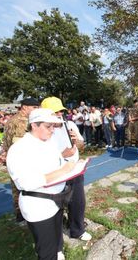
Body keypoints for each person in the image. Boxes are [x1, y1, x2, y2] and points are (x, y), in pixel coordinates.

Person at [6, 108, 76, 260]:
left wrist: (72, 167)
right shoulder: (19, 149)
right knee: (46, 250)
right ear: (34, 125)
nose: (52, 130)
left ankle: (59, 253)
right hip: (38, 205)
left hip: (57, 199)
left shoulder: (48, 143)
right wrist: (63, 171)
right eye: (48, 126)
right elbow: (25, 182)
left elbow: (58, 163)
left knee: (57, 237)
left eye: (53, 126)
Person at [41, 97, 92, 244]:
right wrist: (62, 154)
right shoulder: (41, 131)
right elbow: (41, 157)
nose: (58, 114)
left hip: (74, 170)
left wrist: (77, 141)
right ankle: (56, 240)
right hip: (56, 173)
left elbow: (82, 145)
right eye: (54, 112)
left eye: (60, 111)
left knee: (78, 202)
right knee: (56, 206)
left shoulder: (69, 124)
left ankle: (77, 230)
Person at [1, 97, 40, 223]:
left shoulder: (12, 119)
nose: (36, 110)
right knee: (24, 188)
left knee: (15, 187)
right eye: (34, 108)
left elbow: (6, 141)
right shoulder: (21, 122)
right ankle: (24, 215)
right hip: (22, 162)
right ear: (24, 107)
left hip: (12, 159)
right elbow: (22, 145)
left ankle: (20, 215)